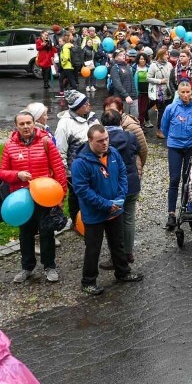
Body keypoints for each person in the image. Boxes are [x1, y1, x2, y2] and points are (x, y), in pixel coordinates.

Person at [72, 125, 143, 295]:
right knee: (93, 248)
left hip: (115, 209)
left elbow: (122, 175)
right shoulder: (80, 163)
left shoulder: (113, 153)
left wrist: (120, 196)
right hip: (95, 214)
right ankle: (88, 281)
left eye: (106, 139)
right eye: (100, 141)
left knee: (117, 244)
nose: (105, 143)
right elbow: (82, 190)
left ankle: (123, 272)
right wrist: (106, 204)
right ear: (90, 141)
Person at [0, 111, 67, 285]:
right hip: (22, 199)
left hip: (44, 197)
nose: (26, 126)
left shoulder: (46, 142)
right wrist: (17, 175)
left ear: (34, 123)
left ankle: (49, 266)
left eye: (28, 122)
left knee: (46, 232)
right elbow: (2, 173)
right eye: (21, 124)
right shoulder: (10, 146)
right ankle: (27, 267)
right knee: (26, 234)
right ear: (16, 126)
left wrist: (61, 197)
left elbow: (59, 170)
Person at [99, 110, 141, 267]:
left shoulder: (102, 140)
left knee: (114, 221)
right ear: (120, 122)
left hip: (112, 185)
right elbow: (137, 151)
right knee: (129, 219)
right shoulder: (130, 136)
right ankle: (128, 252)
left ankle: (116, 256)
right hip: (131, 183)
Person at [160, 81, 192, 229]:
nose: (185, 95)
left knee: (189, 179)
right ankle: (171, 213)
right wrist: (173, 137)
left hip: (190, 147)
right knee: (174, 179)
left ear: (191, 92)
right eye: (182, 92)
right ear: (178, 92)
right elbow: (164, 127)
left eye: (188, 92)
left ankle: (189, 210)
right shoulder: (171, 108)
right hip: (175, 147)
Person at [55, 90, 99, 224]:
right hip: (76, 169)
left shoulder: (92, 118)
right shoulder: (64, 124)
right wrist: (66, 172)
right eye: (85, 103)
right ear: (78, 107)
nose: (89, 105)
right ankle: (77, 221)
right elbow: (60, 150)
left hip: (95, 165)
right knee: (77, 195)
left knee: (94, 191)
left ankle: (94, 218)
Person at [147, 47, 173, 139]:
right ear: (161, 55)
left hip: (169, 91)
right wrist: (160, 81)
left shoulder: (169, 65)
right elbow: (148, 78)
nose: (168, 56)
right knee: (161, 112)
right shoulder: (153, 66)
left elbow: (172, 77)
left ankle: (166, 129)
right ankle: (159, 130)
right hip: (159, 92)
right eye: (166, 54)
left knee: (169, 111)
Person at [109, 49, 139, 117]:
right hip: (122, 98)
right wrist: (126, 95)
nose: (123, 56)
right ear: (116, 58)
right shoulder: (115, 68)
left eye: (124, 55)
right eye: (120, 55)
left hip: (133, 96)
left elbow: (132, 82)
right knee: (124, 117)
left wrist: (135, 95)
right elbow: (117, 83)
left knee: (135, 116)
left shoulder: (128, 66)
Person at [133, 52, 152, 127]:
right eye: (141, 59)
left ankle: (140, 125)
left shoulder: (149, 68)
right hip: (137, 92)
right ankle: (139, 125)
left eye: (144, 59)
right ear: (138, 60)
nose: (142, 60)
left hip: (146, 92)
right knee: (138, 109)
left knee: (143, 109)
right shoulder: (134, 68)